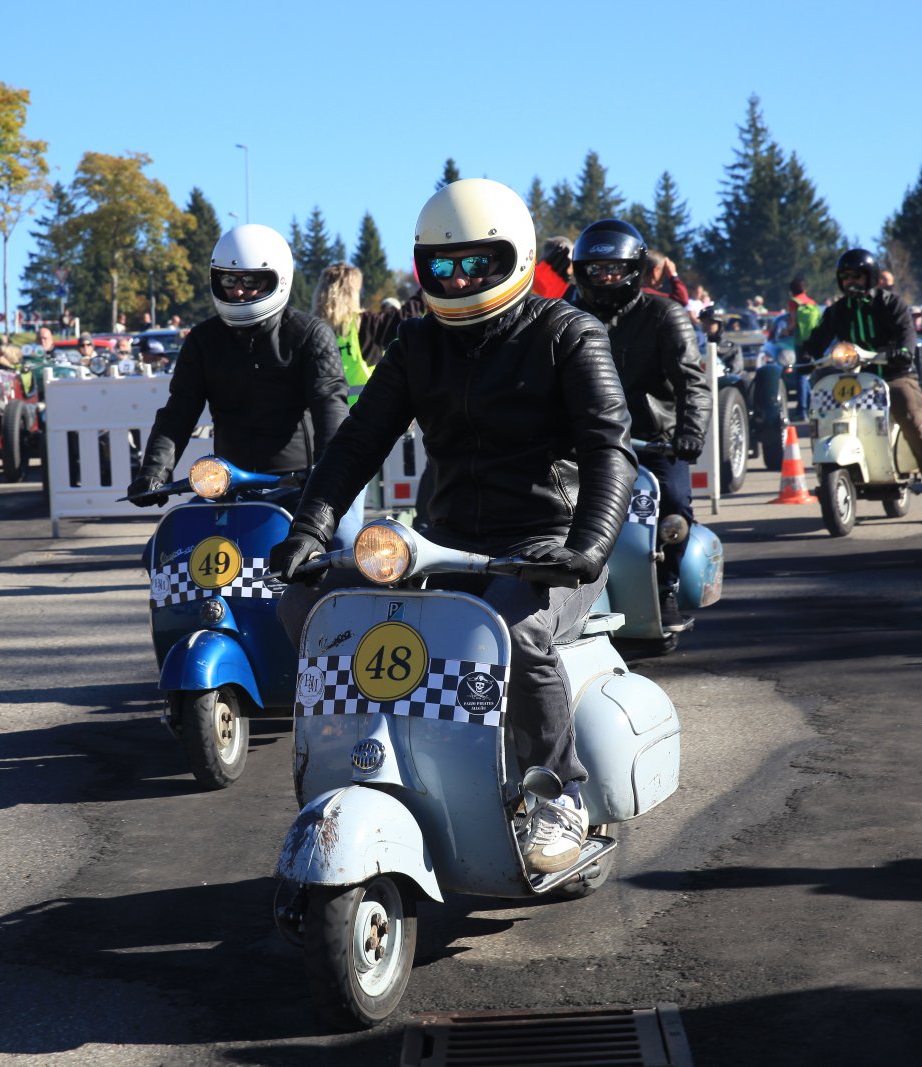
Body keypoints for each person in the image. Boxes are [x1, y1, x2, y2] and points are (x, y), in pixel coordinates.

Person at [269, 179, 636, 875]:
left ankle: (560, 794)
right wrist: (310, 528)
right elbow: (356, 443)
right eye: (444, 265)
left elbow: (607, 448)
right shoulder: (417, 343)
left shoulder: (568, 333)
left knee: (516, 631)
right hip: (443, 542)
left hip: (546, 544)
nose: (460, 279)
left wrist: (587, 546)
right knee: (309, 602)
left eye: (476, 263)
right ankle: (374, 755)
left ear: (516, 255)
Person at [126, 223, 356, 539]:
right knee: (165, 547)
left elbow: (330, 405)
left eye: (251, 281)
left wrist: (328, 473)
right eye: (229, 280)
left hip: (300, 486)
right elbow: (179, 411)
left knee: (346, 544)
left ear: (279, 279)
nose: (237, 290)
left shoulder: (309, 334)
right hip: (226, 485)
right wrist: (154, 471)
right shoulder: (202, 340)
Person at [567, 219, 710, 631]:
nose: (605, 278)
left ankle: (666, 587)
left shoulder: (664, 315)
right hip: (585, 441)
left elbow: (692, 381)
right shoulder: (566, 316)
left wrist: (690, 432)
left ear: (634, 269)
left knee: (674, 506)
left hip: (653, 440)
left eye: (614, 269)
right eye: (596, 270)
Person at [797, 249, 922, 517]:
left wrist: (903, 351)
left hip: (893, 375)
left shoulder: (891, 303)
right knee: (824, 410)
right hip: (853, 379)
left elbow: (907, 333)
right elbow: (817, 340)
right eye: (846, 277)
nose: (851, 282)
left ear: (871, 277)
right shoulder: (837, 310)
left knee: (912, 417)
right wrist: (806, 357)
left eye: (857, 276)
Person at [313, 263, 371, 405]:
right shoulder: (366, 325)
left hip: (327, 413)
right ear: (351, 292)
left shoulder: (309, 330)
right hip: (368, 413)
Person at [787, 277, 820, 344]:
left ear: (792, 291)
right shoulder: (812, 302)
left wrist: (786, 331)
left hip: (801, 340)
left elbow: (793, 323)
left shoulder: (793, 302)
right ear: (804, 290)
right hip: (815, 338)